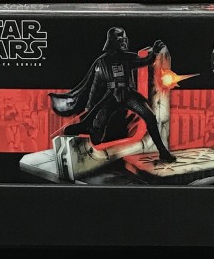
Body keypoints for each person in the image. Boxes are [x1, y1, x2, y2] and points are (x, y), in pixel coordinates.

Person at [48, 28, 175, 164]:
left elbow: (146, 61)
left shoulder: (128, 57)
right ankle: (92, 157)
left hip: (128, 94)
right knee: (97, 129)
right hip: (111, 96)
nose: (124, 41)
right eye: (120, 38)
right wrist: (90, 106)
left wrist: (154, 52)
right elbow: (95, 86)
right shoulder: (102, 62)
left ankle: (163, 151)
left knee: (149, 117)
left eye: (124, 38)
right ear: (113, 41)